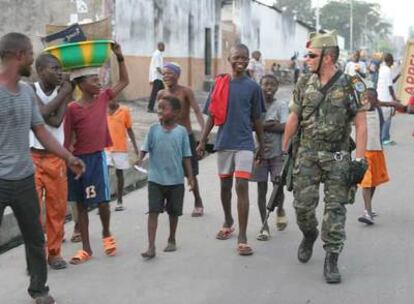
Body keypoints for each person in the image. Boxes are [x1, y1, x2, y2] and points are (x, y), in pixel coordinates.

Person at [0, 32, 84, 304]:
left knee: (36, 239)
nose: (33, 59)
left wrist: (68, 157)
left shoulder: (26, 92)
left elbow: (42, 131)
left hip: (24, 177)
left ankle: (39, 290)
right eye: (31, 55)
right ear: (19, 55)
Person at [282, 30, 367, 283]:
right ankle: (309, 234)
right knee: (302, 207)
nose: (306, 59)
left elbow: (361, 124)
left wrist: (360, 160)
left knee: (335, 209)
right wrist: (284, 147)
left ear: (328, 58)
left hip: (337, 156)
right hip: (307, 153)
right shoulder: (303, 83)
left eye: (312, 55)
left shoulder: (353, 84)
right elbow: (294, 116)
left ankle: (332, 257)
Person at [63, 42, 129, 265]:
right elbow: (67, 138)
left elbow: (124, 82)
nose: (99, 82)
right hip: (77, 161)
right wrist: (68, 161)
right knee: (80, 204)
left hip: (97, 158)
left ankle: (106, 233)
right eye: (93, 80)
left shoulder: (103, 98)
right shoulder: (72, 109)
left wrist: (119, 57)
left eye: (98, 79)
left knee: (102, 202)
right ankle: (86, 248)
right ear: (81, 85)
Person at [197, 44, 265, 256]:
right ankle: (228, 220)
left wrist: (260, 143)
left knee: (241, 186)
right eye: (237, 57)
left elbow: (257, 119)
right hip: (225, 142)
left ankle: (243, 237)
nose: (241, 61)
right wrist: (202, 140)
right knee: (225, 187)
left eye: (244, 58)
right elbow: (211, 115)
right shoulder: (220, 84)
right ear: (229, 58)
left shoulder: (253, 87)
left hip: (245, 143)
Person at [29, 53, 74, 270]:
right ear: (40, 71)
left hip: (56, 158)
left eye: (60, 69)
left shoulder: (62, 91)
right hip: (32, 156)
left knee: (57, 208)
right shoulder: (29, 90)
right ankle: (36, 256)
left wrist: (64, 94)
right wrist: (65, 93)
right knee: (33, 212)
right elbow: (41, 113)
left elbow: (56, 122)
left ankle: (54, 253)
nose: (59, 73)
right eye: (54, 68)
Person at [139, 95, 195, 259]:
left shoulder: (181, 132)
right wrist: (140, 158)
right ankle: (151, 246)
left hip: (176, 180)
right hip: (155, 179)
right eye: (159, 107)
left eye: (164, 108)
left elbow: (186, 156)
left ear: (176, 113)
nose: (160, 110)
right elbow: (145, 147)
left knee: (173, 212)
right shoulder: (153, 129)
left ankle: (172, 238)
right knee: (153, 211)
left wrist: (190, 177)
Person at [156, 62, 205, 216]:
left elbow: (197, 110)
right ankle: (168, 201)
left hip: (185, 137)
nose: (166, 76)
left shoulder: (185, 92)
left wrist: (203, 135)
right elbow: (160, 115)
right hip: (168, 138)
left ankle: (198, 201)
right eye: (163, 73)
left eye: (169, 73)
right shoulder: (161, 94)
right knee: (167, 170)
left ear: (177, 75)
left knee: (191, 172)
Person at [251, 74, 288, 241]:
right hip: (259, 153)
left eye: (272, 85)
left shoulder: (281, 105)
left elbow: (285, 127)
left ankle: (280, 208)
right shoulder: (254, 105)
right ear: (260, 86)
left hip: (277, 152)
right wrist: (269, 124)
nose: (269, 88)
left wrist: (260, 126)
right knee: (261, 189)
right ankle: (264, 225)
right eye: (265, 84)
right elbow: (249, 125)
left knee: (278, 185)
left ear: (277, 87)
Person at [106, 97, 139, 211]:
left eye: (114, 99)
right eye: (109, 99)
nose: (112, 101)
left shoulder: (124, 111)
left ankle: (119, 201)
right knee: (104, 174)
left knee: (119, 174)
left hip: (120, 148)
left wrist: (135, 147)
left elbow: (129, 129)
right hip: (106, 148)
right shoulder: (103, 111)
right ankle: (105, 202)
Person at [377, 53, 399, 145]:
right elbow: (390, 87)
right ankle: (385, 138)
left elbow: (391, 81)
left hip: (380, 96)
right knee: (388, 117)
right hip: (386, 97)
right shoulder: (387, 70)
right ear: (390, 60)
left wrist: (399, 76)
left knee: (382, 118)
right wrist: (395, 99)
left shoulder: (382, 68)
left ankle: (381, 137)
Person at [147, 42, 165, 113]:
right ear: (159, 46)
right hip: (157, 77)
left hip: (158, 77)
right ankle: (150, 108)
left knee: (163, 92)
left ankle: (163, 107)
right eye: (163, 46)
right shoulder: (157, 54)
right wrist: (164, 74)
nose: (164, 48)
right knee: (155, 93)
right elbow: (158, 67)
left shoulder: (159, 54)